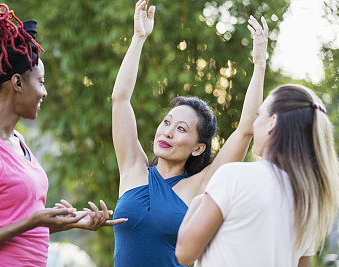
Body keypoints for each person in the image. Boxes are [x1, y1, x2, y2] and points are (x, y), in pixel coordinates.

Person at [0, 1, 126, 266]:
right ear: (17, 82)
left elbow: (17, 228)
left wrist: (67, 221)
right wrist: (32, 220)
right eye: (41, 81)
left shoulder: (19, 143)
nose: (44, 92)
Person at [111, 0, 268, 266]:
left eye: (181, 129)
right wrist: (138, 38)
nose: (167, 132)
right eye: (167, 122)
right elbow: (120, 99)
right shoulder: (132, 168)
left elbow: (245, 131)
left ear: (198, 147)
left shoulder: (201, 185)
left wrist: (260, 65)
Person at [175, 84, 339, 267]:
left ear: (272, 123)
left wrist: (198, 202)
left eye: (259, 115)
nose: (255, 124)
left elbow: (184, 253)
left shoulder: (234, 176)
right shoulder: (309, 204)